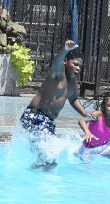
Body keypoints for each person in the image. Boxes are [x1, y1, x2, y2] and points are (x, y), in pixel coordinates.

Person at [20, 40, 92, 168]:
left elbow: (73, 99)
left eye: (80, 66)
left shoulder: (72, 81)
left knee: (45, 156)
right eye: (75, 64)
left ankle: (34, 174)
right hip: (36, 115)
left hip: (49, 121)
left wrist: (85, 113)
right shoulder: (57, 74)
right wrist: (65, 49)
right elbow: (56, 62)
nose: (78, 68)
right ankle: (35, 175)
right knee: (47, 156)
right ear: (65, 62)